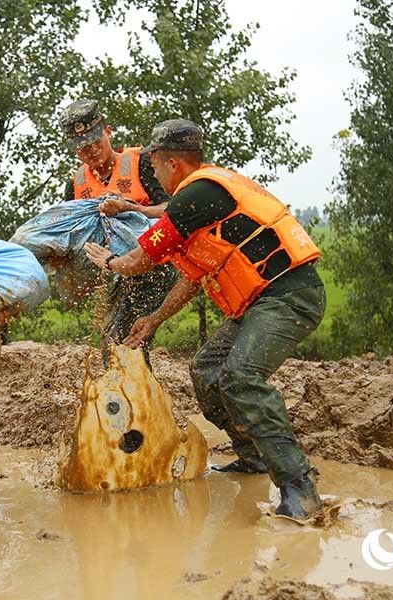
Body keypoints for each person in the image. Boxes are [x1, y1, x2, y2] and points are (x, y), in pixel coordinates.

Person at [84, 119, 327, 521]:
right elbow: (192, 277)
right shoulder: (206, 195)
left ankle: (300, 489)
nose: (154, 173)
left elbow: (139, 260)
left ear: (172, 163)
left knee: (241, 376)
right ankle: (252, 455)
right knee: (207, 368)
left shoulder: (198, 192)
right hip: (259, 301)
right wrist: (154, 319)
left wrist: (110, 261)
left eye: (156, 165)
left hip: (288, 295)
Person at [59, 99, 176, 366]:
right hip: (118, 270)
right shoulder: (75, 185)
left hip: (155, 262)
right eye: (81, 148)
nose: (90, 151)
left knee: (124, 340)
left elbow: (173, 209)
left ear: (107, 131)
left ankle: (134, 399)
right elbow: (73, 234)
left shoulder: (142, 163)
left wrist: (129, 207)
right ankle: (137, 397)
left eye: (95, 142)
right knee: (113, 342)